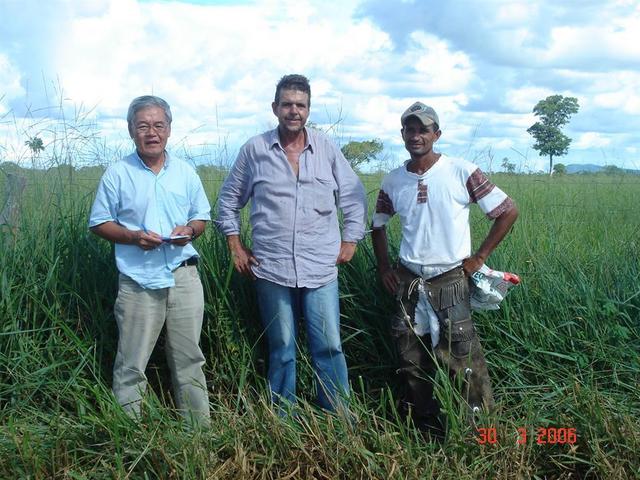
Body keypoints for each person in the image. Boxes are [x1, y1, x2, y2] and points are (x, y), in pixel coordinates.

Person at [216, 74, 367, 413]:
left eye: (300, 105)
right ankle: (281, 417)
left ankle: (337, 415)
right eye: (287, 104)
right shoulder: (255, 150)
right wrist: (235, 246)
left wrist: (351, 238)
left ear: (309, 110)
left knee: (328, 344)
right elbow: (227, 201)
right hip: (272, 267)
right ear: (275, 108)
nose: (293, 111)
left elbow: (354, 195)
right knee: (282, 345)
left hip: (320, 266)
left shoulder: (326, 148)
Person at [371, 102, 518, 434]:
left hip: (450, 278)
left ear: (436, 134)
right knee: (411, 358)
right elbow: (377, 225)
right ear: (402, 134)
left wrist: (479, 257)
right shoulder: (394, 180)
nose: (416, 135)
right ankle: (423, 425)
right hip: (408, 280)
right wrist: (383, 268)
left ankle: (479, 430)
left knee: (463, 359)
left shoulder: (461, 171)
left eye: (424, 129)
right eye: (410, 129)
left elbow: (507, 210)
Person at [89, 95, 211, 426]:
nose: (151, 132)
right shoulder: (117, 173)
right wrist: (133, 237)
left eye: (158, 125)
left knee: (190, 360)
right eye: (143, 125)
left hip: (184, 276)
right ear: (131, 130)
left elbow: (201, 217)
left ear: (169, 129)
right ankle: (128, 440)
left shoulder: (185, 171)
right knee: (131, 365)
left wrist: (189, 230)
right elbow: (99, 222)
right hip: (138, 280)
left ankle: (199, 439)